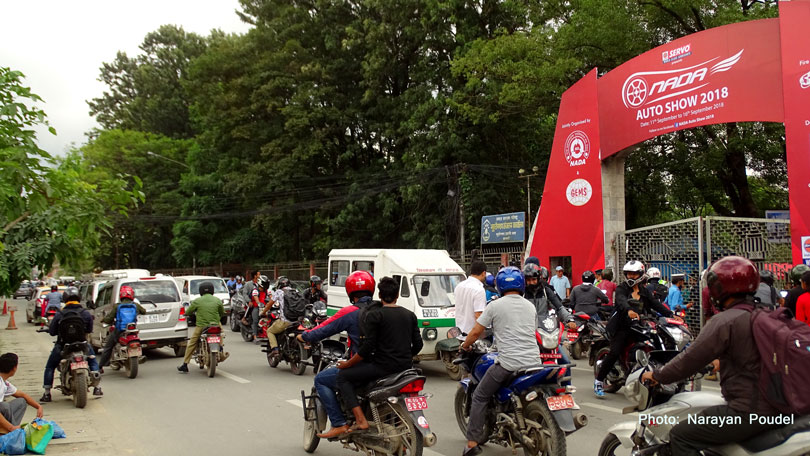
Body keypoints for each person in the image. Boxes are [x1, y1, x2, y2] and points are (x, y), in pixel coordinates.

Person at [641, 256, 781, 455]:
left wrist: (658, 375)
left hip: (748, 410)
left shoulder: (724, 321)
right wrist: (722, 361)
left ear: (718, 289)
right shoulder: (767, 316)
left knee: (680, 435)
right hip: (782, 408)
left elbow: (689, 360)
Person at [459, 266, 540, 456]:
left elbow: (476, 331)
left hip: (509, 364)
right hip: (534, 362)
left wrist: (465, 345)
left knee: (480, 395)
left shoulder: (494, 306)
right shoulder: (530, 306)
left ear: (500, 286)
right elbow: (533, 330)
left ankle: (472, 443)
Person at [336, 277, 422, 431]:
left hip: (382, 367)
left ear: (380, 295)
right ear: (397, 295)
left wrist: (348, 364)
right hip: (406, 368)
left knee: (342, 377)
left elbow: (367, 348)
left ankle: (360, 420)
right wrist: (405, 356)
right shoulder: (410, 315)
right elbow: (418, 345)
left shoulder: (375, 315)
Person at [297, 270, 376, 438]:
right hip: (388, 364)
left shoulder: (350, 312)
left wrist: (304, 336)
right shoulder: (382, 309)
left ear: (350, 291)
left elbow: (323, 329)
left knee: (321, 379)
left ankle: (339, 423)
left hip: (361, 365)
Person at [594, 260, 674, 398]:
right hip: (621, 326)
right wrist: (629, 310)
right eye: (629, 274)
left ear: (641, 275)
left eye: (634, 274)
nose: (631, 276)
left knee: (653, 344)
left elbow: (656, 304)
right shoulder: (622, 288)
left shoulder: (644, 291)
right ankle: (599, 381)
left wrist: (671, 315)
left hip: (639, 326)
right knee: (614, 352)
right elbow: (621, 300)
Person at [41, 287, 102, 401]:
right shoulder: (85, 313)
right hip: (83, 345)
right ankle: (97, 387)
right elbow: (89, 330)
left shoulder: (60, 314)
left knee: (50, 367)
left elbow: (52, 331)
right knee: (93, 361)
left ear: (65, 298)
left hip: (63, 346)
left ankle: (47, 393)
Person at [178, 282, 228, 373]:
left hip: (202, 325)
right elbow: (222, 312)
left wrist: (185, 314)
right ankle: (220, 349)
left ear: (201, 291)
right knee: (221, 334)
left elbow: (189, 311)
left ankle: (185, 364)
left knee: (192, 343)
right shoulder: (217, 300)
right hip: (215, 324)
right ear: (212, 290)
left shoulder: (197, 301)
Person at [98, 286, 146, 368]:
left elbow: (109, 318)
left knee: (108, 346)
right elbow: (144, 311)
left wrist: (104, 320)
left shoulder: (117, 306)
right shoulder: (135, 305)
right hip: (132, 329)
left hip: (120, 329)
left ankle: (100, 366)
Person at [1, 353, 44, 433]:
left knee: (21, 401)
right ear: (14, 368)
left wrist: (38, 406)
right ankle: (12, 430)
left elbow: (22, 395)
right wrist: (11, 427)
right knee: (4, 406)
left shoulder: (4, 382)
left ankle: (10, 430)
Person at [261, 276, 294, 358]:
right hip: (297, 321)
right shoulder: (295, 291)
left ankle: (275, 349)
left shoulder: (279, 292)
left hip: (285, 321)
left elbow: (269, 304)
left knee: (270, 331)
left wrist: (263, 312)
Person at [454, 260, 488, 337]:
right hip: (472, 335)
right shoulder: (479, 289)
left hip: (459, 333)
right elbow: (478, 315)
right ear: (484, 273)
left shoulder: (459, 286)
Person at [241, 271, 262, 340]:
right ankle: (244, 318)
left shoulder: (260, 283)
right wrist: (249, 301)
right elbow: (245, 294)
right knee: (251, 306)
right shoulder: (248, 284)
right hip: (249, 301)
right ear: (255, 276)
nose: (260, 276)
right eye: (258, 274)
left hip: (257, 302)